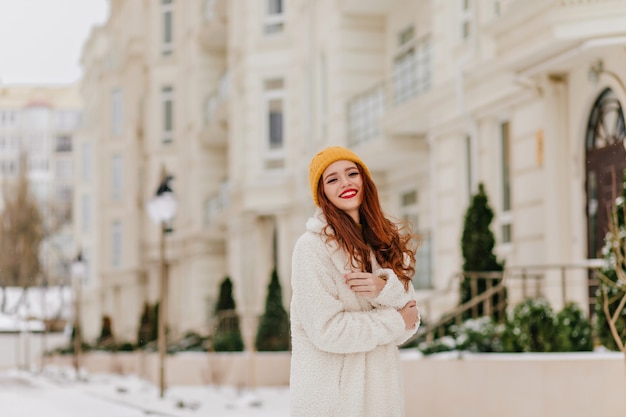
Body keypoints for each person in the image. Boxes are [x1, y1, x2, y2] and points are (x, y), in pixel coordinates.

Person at [289, 146, 421, 417]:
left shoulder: (382, 241)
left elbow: (412, 319)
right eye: (332, 179)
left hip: (381, 399)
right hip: (333, 402)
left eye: (352, 173)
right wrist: (393, 322)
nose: (345, 183)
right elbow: (328, 331)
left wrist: (385, 289)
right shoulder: (312, 248)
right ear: (321, 193)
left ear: (365, 181)